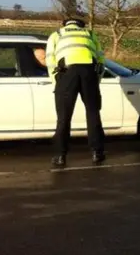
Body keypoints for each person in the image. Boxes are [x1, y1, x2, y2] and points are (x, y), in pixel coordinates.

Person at [45, 18, 106, 168]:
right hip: (88, 72)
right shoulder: (90, 34)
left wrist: (57, 82)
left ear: (66, 24)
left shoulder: (57, 34)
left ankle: (60, 156)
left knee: (64, 117)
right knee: (93, 113)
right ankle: (97, 153)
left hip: (66, 73)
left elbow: (50, 60)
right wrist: (95, 82)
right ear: (80, 25)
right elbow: (101, 60)